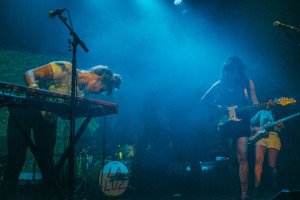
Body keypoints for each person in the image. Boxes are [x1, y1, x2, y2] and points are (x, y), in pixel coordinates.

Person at [0, 61, 121, 199]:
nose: (97, 93)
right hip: (24, 111)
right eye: (100, 89)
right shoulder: (66, 68)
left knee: (47, 166)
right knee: (16, 160)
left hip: (47, 120)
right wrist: (36, 92)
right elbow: (30, 73)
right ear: (98, 78)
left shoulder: (80, 94)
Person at [201, 56, 259, 200]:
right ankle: (232, 188)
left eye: (230, 70)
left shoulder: (247, 82)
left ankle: (244, 193)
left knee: (242, 156)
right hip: (226, 122)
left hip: (242, 122)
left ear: (237, 70)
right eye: (225, 70)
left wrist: (263, 107)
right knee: (232, 158)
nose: (227, 73)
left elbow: (255, 101)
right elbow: (204, 100)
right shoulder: (220, 84)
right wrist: (218, 107)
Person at [250, 108, 284, 195]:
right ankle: (256, 188)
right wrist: (255, 128)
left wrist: (280, 126)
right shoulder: (262, 112)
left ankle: (275, 185)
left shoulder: (279, 112)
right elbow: (250, 122)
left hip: (273, 135)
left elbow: (282, 127)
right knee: (258, 161)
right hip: (261, 137)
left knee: (271, 165)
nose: (271, 103)